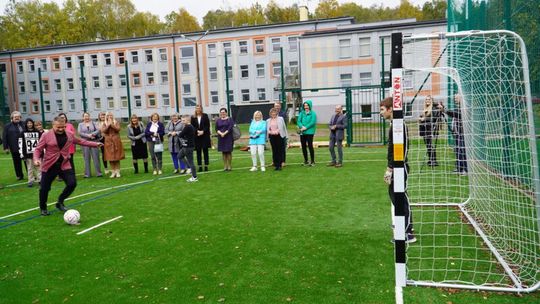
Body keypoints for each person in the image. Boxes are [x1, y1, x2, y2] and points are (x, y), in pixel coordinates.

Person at [34, 116, 103, 216]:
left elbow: (80, 141)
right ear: (53, 125)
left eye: (63, 127)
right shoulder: (46, 135)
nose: (61, 129)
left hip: (64, 164)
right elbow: (38, 149)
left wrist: (95, 144)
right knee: (44, 188)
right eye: (58, 127)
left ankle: (60, 202)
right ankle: (43, 207)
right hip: (49, 165)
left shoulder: (69, 134)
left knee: (72, 183)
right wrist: (36, 159)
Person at [380, 97, 415, 243]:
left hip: (399, 168)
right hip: (396, 167)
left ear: (390, 109)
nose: (380, 112)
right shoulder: (394, 124)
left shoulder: (399, 126)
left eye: (382, 109)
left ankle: (407, 233)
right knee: (395, 195)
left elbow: (400, 150)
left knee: (400, 198)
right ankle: (406, 227)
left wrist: (392, 168)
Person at [444, 94, 467, 175]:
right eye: (455, 98)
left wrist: (445, 110)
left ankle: (465, 169)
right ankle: (459, 168)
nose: (455, 99)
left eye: (457, 98)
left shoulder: (464, 108)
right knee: (457, 151)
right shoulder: (458, 108)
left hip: (462, 133)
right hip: (457, 133)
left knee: (462, 151)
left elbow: (456, 114)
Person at [418, 95, 443, 167]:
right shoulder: (425, 108)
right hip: (424, 129)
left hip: (431, 129)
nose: (427, 101)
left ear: (431, 100)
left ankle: (434, 160)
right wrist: (420, 118)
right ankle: (430, 159)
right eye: (426, 99)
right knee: (427, 145)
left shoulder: (433, 108)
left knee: (430, 145)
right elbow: (422, 117)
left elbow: (434, 118)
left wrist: (424, 119)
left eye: (429, 99)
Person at [77, 113, 102, 178]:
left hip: (94, 142)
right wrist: (88, 135)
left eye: (87, 116)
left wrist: (92, 134)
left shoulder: (94, 123)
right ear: (83, 117)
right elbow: (80, 132)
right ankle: (87, 174)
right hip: (85, 143)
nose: (86, 117)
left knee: (96, 157)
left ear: (89, 117)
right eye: (85, 116)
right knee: (86, 158)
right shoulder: (80, 124)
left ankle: (98, 173)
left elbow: (98, 130)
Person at [100, 112, 125, 178]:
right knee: (110, 157)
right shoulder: (104, 123)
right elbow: (103, 131)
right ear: (106, 116)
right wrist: (108, 125)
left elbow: (118, 129)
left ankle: (117, 171)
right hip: (108, 141)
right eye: (108, 115)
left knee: (117, 157)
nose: (109, 116)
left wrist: (112, 125)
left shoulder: (116, 122)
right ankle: (113, 172)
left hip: (116, 140)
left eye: (110, 115)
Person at [3, 111, 25, 180]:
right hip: (14, 147)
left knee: (27, 162)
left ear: (20, 117)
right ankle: (19, 176)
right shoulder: (7, 126)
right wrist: (5, 147)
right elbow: (4, 137)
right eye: (15, 117)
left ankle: (31, 175)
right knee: (16, 162)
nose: (17, 118)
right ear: (12, 118)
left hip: (24, 147)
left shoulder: (24, 124)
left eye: (18, 117)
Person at [20, 118, 42, 187]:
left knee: (39, 167)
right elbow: (20, 143)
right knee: (30, 168)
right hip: (28, 154)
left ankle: (40, 180)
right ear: (26, 124)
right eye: (28, 123)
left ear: (33, 123)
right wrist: (21, 154)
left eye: (30, 123)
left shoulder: (38, 132)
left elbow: (42, 143)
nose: (29, 124)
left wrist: (43, 152)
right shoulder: (23, 133)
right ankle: (30, 181)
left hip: (37, 153)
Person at [177, 115, 198, 182]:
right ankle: (190, 168)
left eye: (184, 120)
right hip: (185, 146)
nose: (182, 122)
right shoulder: (187, 126)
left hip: (189, 147)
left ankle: (194, 177)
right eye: (182, 120)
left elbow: (180, 135)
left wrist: (178, 133)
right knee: (179, 156)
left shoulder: (188, 127)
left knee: (191, 161)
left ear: (188, 120)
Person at [191, 104, 211, 172]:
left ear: (201, 109)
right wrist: (197, 131)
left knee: (205, 151)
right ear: (195, 109)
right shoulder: (193, 117)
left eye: (199, 108)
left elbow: (207, 125)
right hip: (197, 136)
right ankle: (199, 166)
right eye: (197, 108)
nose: (198, 109)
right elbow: (192, 126)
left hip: (204, 136)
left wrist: (203, 131)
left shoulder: (205, 116)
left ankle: (206, 166)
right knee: (198, 152)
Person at [297, 99, 317, 166]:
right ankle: (306, 161)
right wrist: (301, 126)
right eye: (305, 105)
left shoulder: (313, 113)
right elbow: (298, 121)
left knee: (310, 146)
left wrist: (306, 127)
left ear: (310, 106)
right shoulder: (301, 113)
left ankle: (312, 161)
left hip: (310, 132)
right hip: (302, 132)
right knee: (303, 146)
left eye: (307, 105)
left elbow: (313, 122)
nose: (306, 107)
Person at [274, 102, 288, 166]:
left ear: (280, 106)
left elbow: (284, 124)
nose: (277, 107)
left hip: (282, 133)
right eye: (275, 106)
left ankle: (283, 161)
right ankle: (275, 161)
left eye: (278, 106)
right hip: (274, 134)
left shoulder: (283, 113)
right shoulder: (272, 113)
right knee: (275, 148)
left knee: (282, 148)